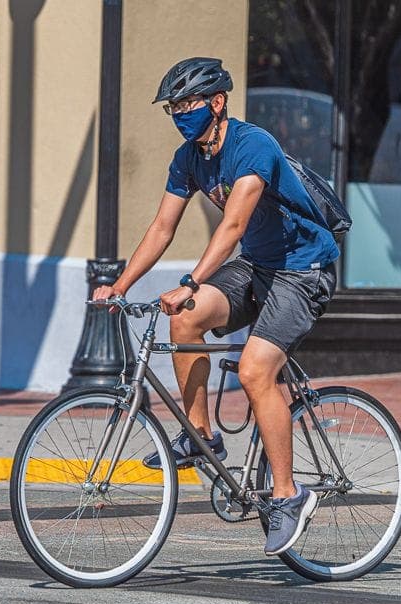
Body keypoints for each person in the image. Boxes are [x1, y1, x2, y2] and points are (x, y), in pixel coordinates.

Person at [91, 57, 339, 556]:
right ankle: (201, 435)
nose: (181, 113)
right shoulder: (189, 158)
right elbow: (163, 228)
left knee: (253, 371)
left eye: (188, 104)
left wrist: (190, 280)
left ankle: (289, 496)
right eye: (175, 107)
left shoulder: (253, 146)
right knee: (185, 316)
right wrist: (119, 284)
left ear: (217, 102)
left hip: (304, 269)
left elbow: (232, 228)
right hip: (259, 267)